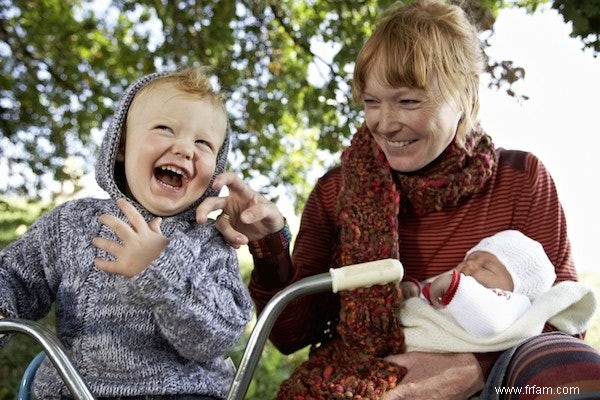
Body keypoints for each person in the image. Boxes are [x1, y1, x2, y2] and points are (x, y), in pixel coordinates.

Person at [197, 0, 600, 399]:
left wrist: (471, 370)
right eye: (372, 102)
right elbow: (289, 336)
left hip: (495, 384)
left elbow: (565, 316)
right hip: (364, 382)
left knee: (570, 371)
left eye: (408, 101)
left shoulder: (520, 178)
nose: (385, 124)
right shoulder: (336, 192)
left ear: (463, 95)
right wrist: (268, 246)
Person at [0, 68, 253, 400]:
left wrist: (161, 270)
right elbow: (14, 275)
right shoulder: (72, 223)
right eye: (165, 128)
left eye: (203, 143)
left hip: (182, 393)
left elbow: (219, 335)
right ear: (121, 146)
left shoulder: (208, 242)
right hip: (75, 388)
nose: (185, 149)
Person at [400, 229, 596, 352]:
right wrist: (414, 291)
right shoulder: (460, 286)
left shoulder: (514, 304)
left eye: (486, 267)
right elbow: (432, 294)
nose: (470, 267)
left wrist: (454, 286)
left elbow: (489, 321)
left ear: (516, 288)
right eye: (467, 260)